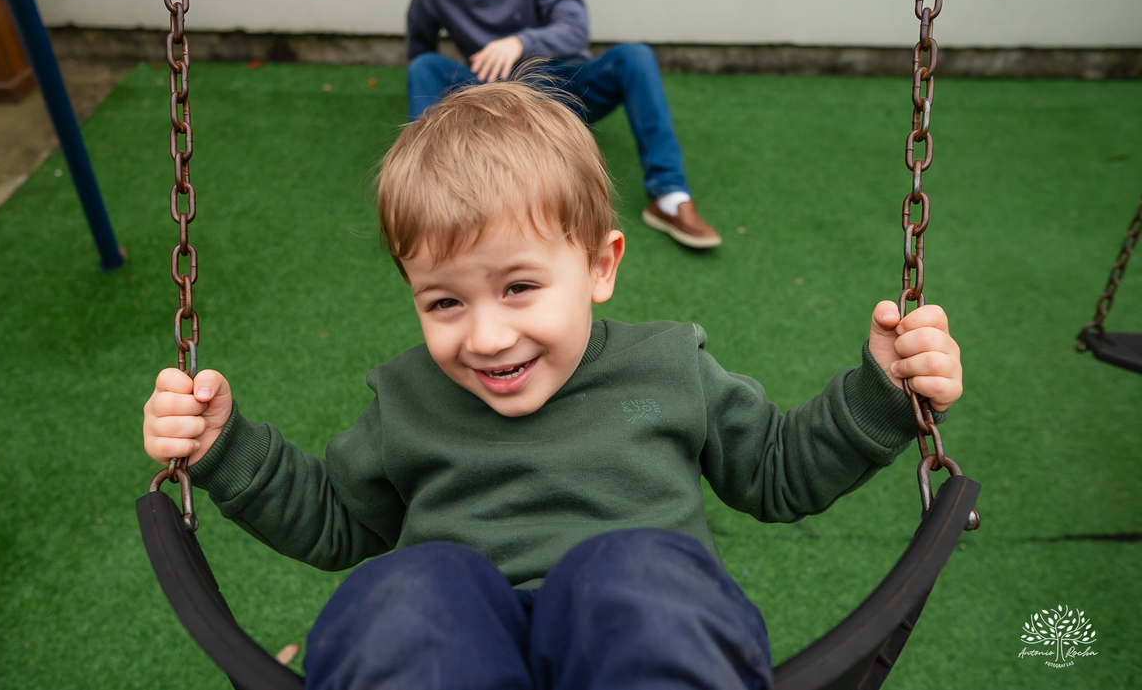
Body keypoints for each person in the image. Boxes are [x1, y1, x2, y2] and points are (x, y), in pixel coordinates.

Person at [142, 80, 964, 690]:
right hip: (453, 650)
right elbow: (336, 521)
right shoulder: (408, 397)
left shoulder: (667, 365)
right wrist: (224, 448)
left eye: (519, 287)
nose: (487, 335)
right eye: (443, 301)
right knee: (406, 590)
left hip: (641, 636)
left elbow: (779, 468)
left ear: (601, 266)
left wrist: (882, 391)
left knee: (634, 575)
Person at [406, 0, 723, 250]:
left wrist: (519, 43)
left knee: (635, 57)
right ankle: (426, 202)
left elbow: (575, 28)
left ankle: (669, 197)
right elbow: (420, 48)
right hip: (493, 97)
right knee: (424, 66)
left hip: (563, 90)